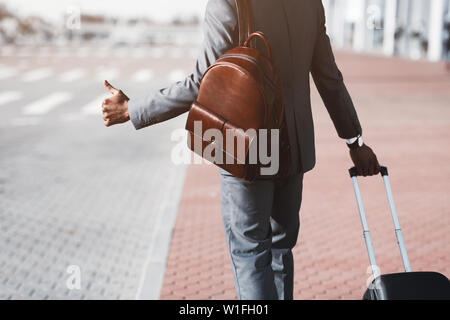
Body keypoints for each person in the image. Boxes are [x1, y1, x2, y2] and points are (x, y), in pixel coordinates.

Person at [101, 0, 380, 300]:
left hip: (249, 147)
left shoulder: (228, 3)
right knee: (280, 252)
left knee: (250, 255)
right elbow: (329, 77)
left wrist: (133, 109)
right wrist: (355, 141)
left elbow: (201, 83)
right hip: (294, 149)